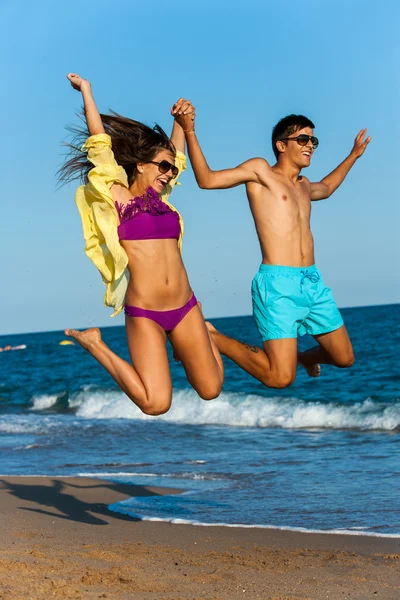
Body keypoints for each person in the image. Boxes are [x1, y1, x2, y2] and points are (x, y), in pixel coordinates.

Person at [172, 99, 371, 388]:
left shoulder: (303, 185)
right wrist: (189, 131)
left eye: (313, 140)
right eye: (303, 138)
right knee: (280, 378)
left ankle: (304, 358)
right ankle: (211, 335)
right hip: (278, 285)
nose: (310, 145)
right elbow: (207, 179)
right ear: (281, 144)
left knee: (343, 357)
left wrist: (353, 155)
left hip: (312, 282)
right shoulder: (260, 172)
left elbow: (326, 188)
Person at [59, 75, 223, 414]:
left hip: (186, 306)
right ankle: (95, 344)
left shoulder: (163, 198)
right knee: (155, 404)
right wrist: (87, 92)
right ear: (139, 165)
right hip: (146, 312)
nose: (169, 173)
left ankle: (206, 330)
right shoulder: (118, 196)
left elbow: (175, 156)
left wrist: (181, 122)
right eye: (162, 167)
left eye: (171, 170)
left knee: (211, 390)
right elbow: (99, 143)